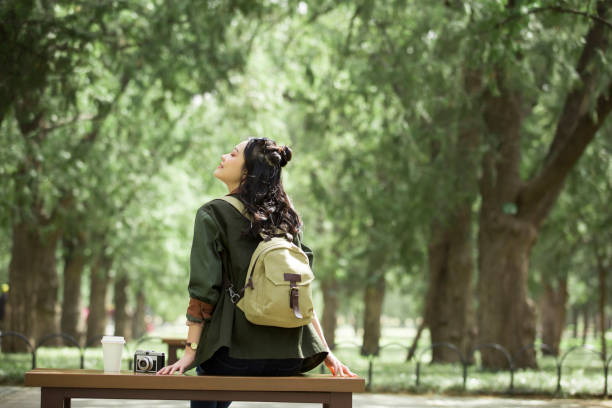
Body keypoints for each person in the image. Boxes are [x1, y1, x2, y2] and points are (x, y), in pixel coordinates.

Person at [157, 137, 355, 408]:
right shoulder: (286, 218)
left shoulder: (212, 213)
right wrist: (326, 353)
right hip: (290, 357)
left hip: (232, 356)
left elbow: (204, 291)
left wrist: (190, 352)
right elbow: (299, 295)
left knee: (209, 370)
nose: (224, 155)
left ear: (247, 171)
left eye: (233, 153)